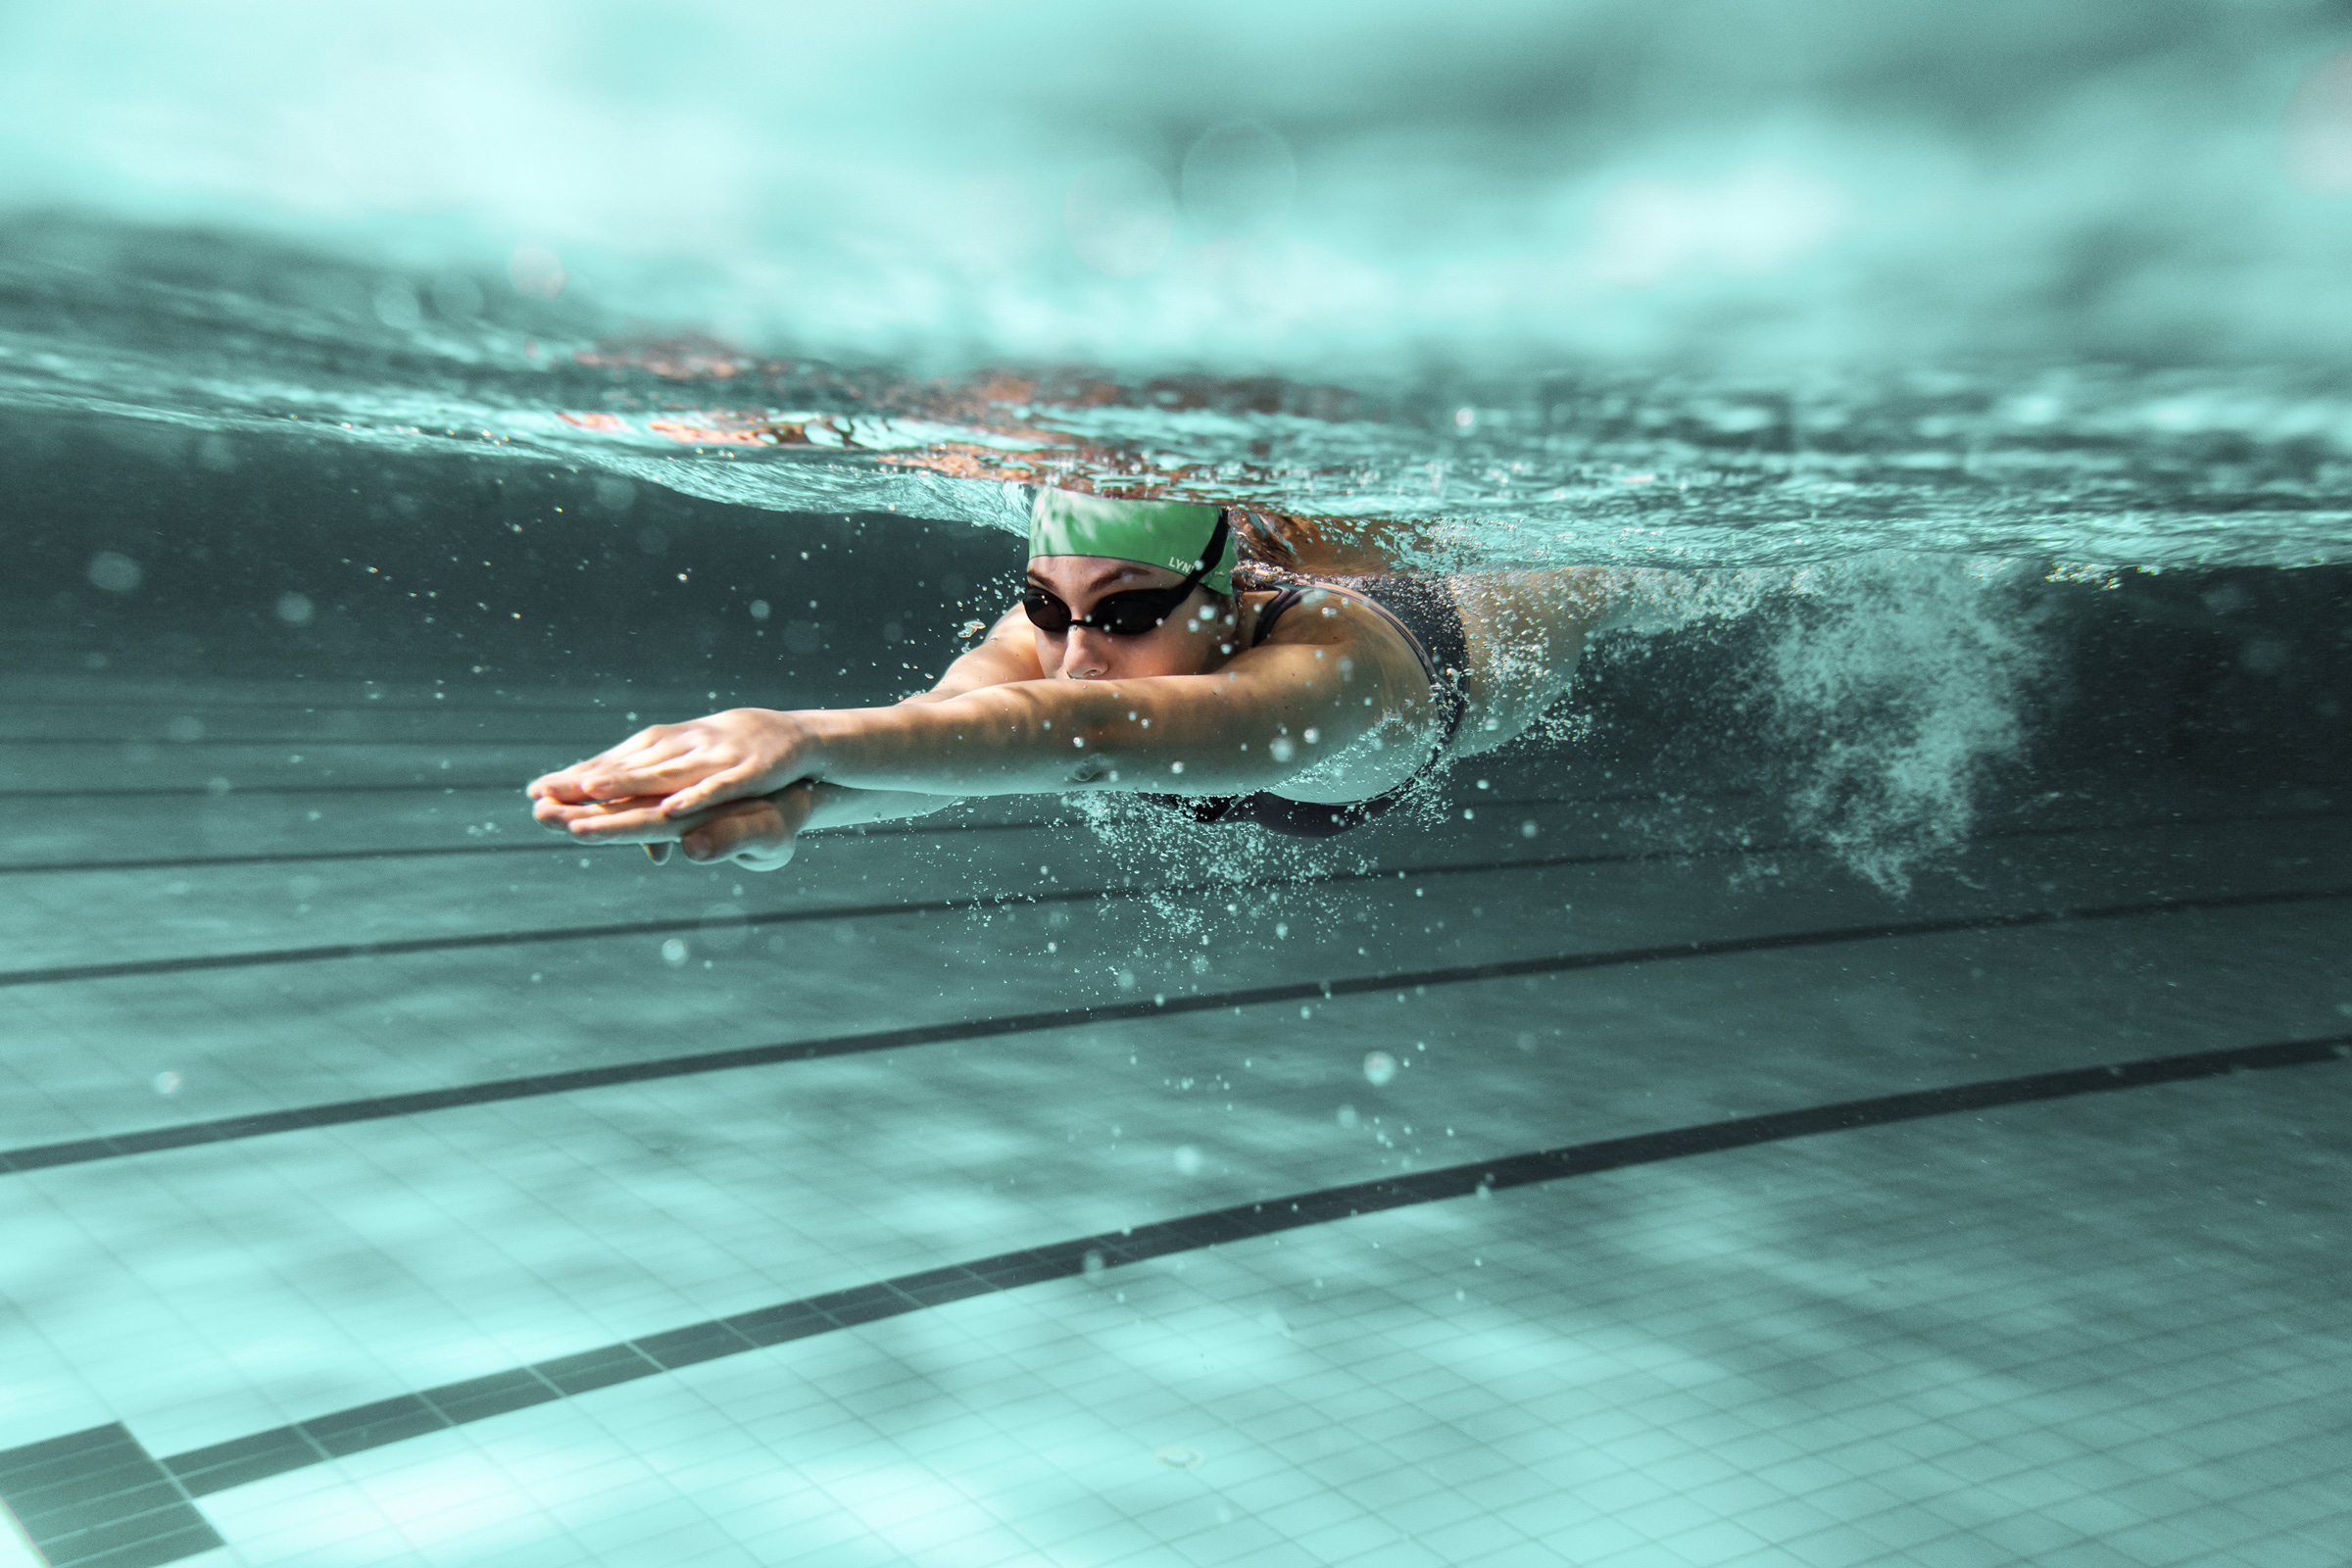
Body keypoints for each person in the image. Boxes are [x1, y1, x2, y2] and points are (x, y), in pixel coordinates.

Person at [527, 487, 1610, 868]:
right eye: (1047, 607)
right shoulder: (1073, 628)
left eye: (1132, 612)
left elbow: (1085, 732)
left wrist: (794, 734)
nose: (1078, 651)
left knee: (1611, 579)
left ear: (1224, 600)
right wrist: (788, 812)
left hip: (1484, 629)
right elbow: (946, 735)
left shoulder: (1336, 672)